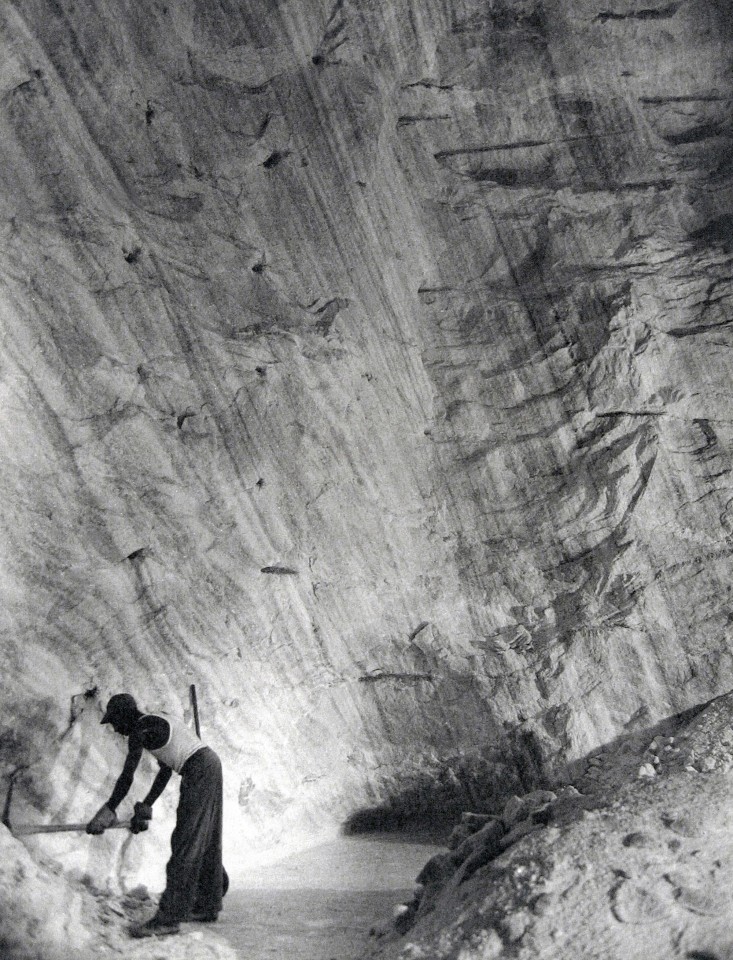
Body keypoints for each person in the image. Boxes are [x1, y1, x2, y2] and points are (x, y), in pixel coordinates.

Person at [86, 692, 226, 938]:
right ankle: (207, 905)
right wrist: (146, 804)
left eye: (115, 722)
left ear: (124, 715)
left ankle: (168, 919)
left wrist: (109, 808)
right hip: (207, 765)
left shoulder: (141, 728)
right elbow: (166, 770)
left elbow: (128, 774)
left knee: (186, 843)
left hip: (199, 770)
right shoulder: (155, 721)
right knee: (205, 839)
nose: (116, 729)